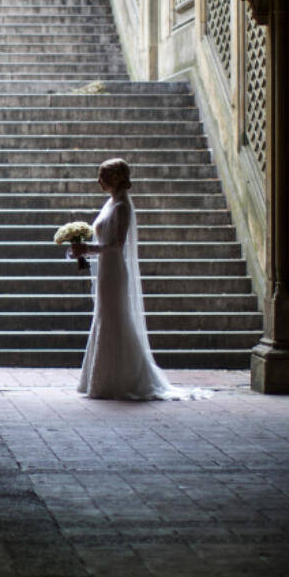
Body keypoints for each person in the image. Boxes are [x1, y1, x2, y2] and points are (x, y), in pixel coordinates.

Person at [69, 159, 208, 400]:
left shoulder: (122, 207)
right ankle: (101, 376)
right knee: (105, 316)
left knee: (114, 318)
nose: (98, 181)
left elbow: (116, 245)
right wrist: (83, 248)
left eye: (103, 176)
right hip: (105, 270)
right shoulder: (111, 202)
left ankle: (120, 378)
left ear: (115, 178)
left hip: (113, 271)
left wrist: (89, 250)